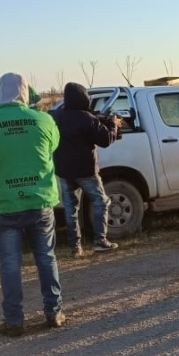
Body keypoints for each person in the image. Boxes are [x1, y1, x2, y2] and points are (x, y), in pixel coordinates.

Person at [0, 73, 65, 337]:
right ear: (25, 94)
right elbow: (52, 146)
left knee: (9, 264)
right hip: (39, 201)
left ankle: (14, 321)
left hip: (4, 204)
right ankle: (54, 312)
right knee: (46, 257)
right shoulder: (44, 120)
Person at [50, 82, 121, 256]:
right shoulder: (86, 118)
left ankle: (75, 248)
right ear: (83, 98)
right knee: (101, 202)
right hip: (86, 171)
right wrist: (113, 124)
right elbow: (105, 140)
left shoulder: (56, 116)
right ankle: (100, 241)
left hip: (64, 171)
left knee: (71, 209)